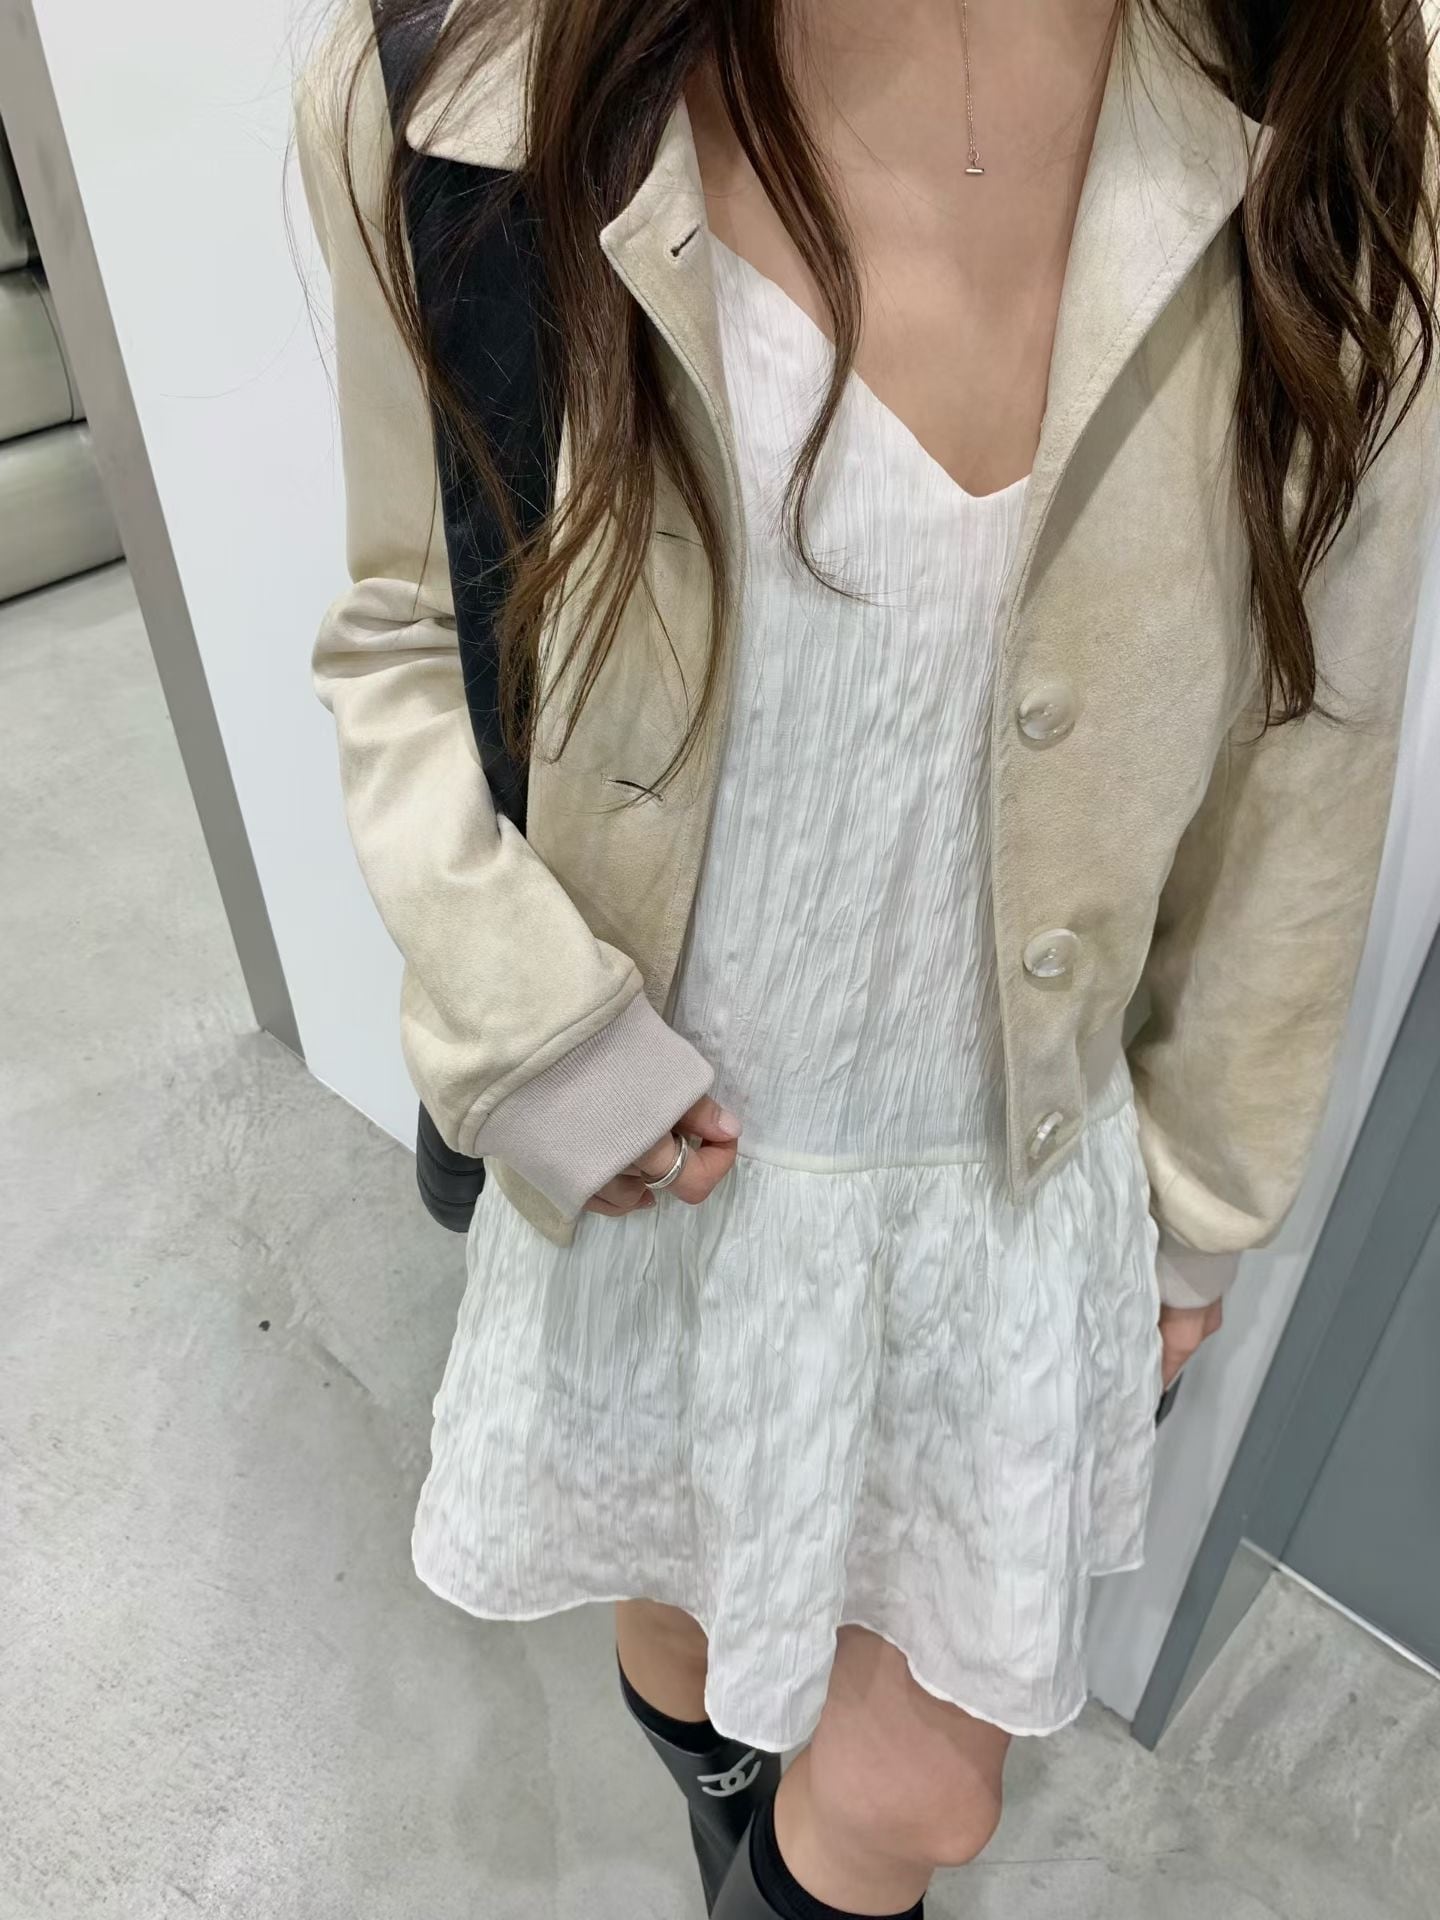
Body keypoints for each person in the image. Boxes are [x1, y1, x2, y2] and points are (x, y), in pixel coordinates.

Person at [294, 1, 1437, 1913]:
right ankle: (721, 1836)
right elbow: (407, 629)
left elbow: (1314, 740)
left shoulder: (1320, 92)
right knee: (688, 1626)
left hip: (1017, 1188)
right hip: (655, 1151)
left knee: (917, 1797)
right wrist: (531, 1027)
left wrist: (1201, 1210)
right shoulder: (461, 93)